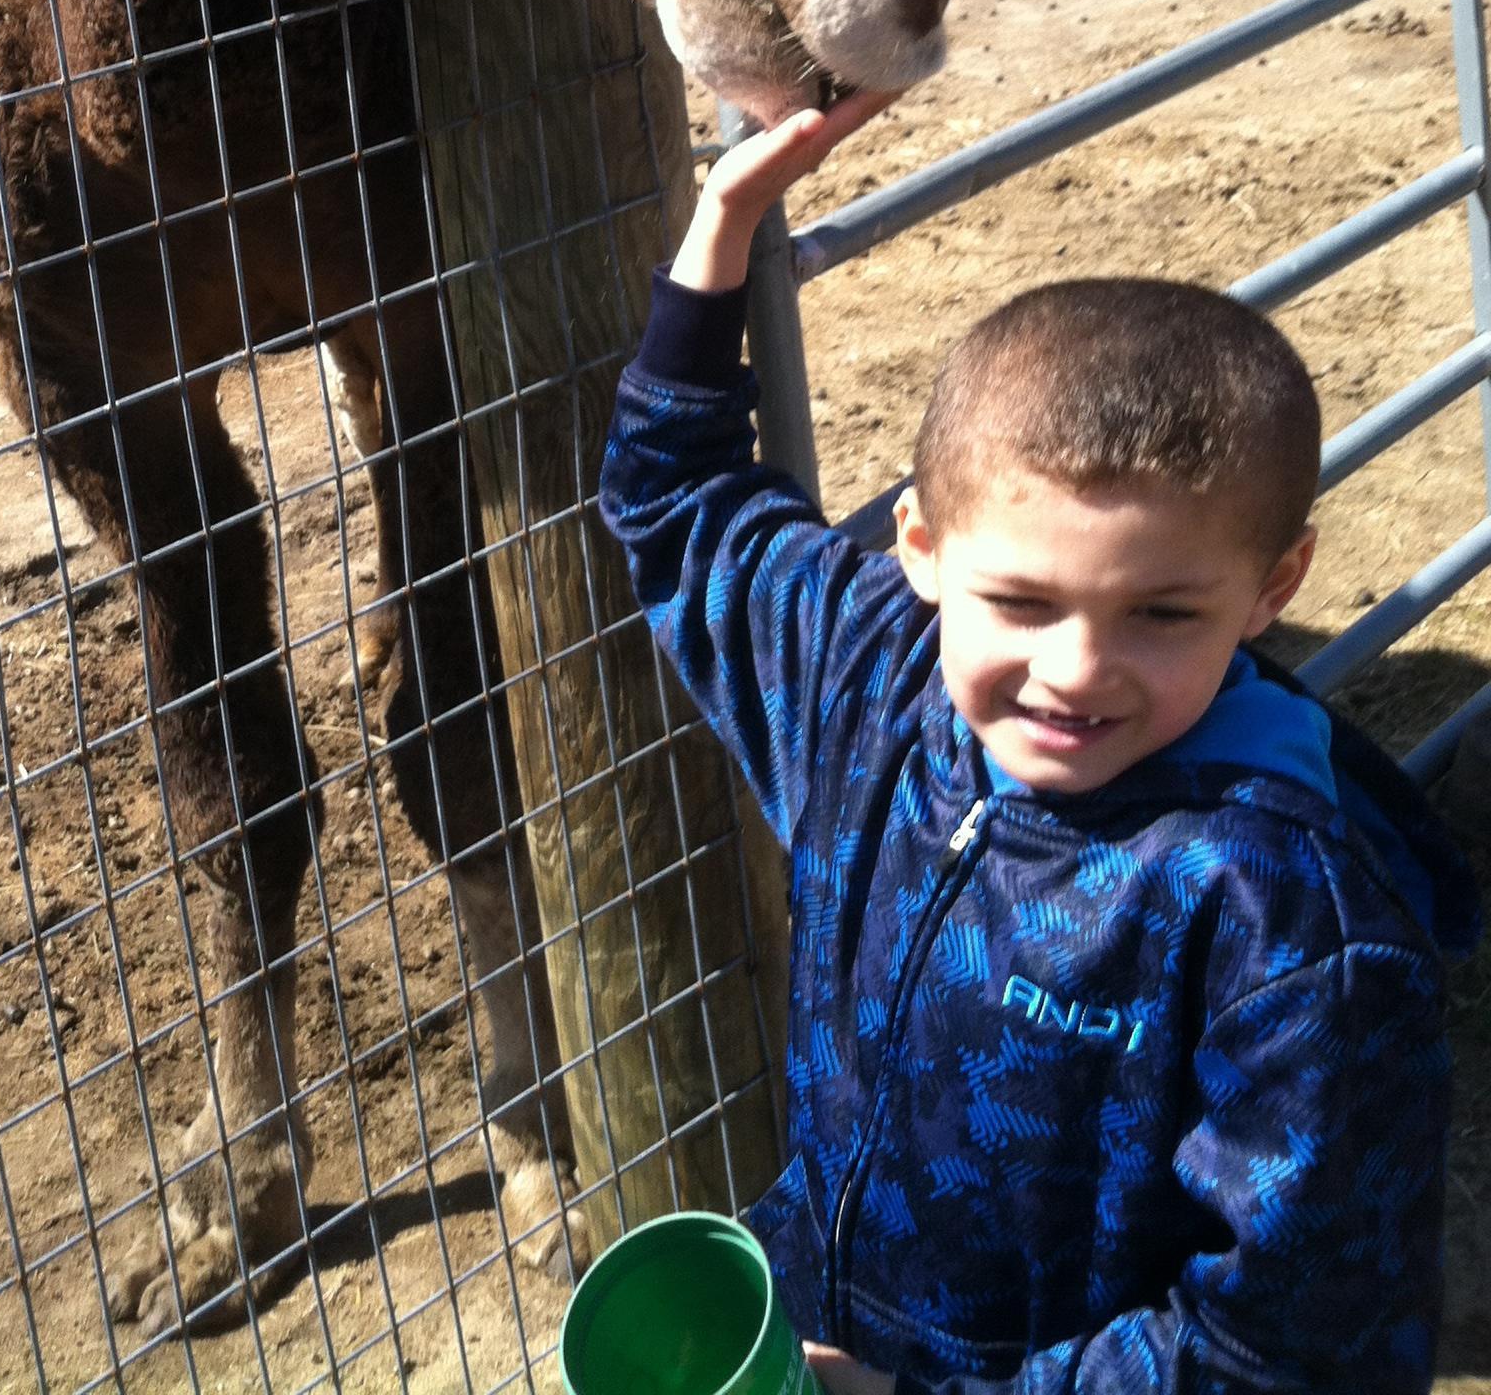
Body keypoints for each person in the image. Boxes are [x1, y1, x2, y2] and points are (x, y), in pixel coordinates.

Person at [597, 95, 1481, 1395]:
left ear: (1274, 586)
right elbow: (679, 496)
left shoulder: (1283, 920)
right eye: (1017, 602)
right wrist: (724, 217)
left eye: (1162, 613)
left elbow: (1287, 1344)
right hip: (824, 1321)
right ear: (918, 553)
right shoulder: (870, 685)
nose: (1074, 671)